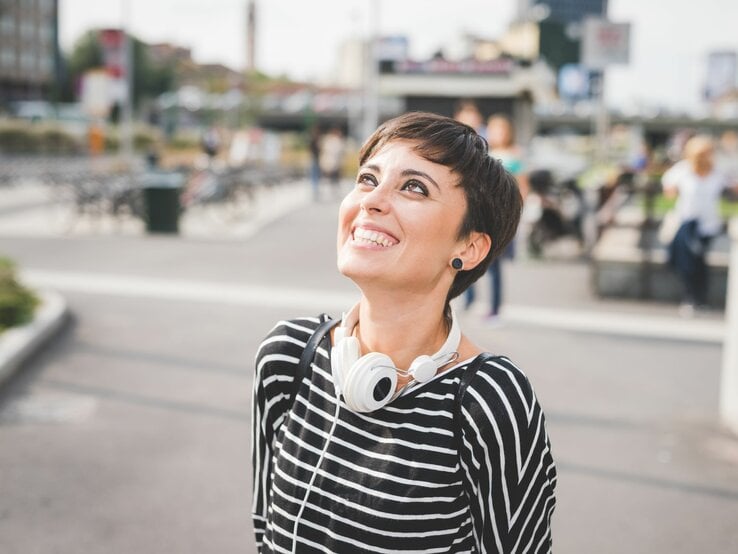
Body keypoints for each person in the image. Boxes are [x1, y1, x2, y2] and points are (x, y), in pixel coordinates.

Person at [252, 112, 557, 553]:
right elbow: (265, 533)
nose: (371, 201)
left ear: (468, 247)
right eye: (367, 179)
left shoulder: (489, 401)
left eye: (414, 187)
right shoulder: (287, 358)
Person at [662, 134, 738, 316]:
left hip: (707, 225)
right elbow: (669, 190)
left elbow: (732, 189)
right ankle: (692, 298)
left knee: (697, 260)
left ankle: (697, 298)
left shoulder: (717, 172)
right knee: (686, 261)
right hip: (687, 222)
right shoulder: (683, 170)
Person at [464, 114, 527, 321]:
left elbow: (522, 186)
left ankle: (495, 309)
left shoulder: (515, 154)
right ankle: (469, 300)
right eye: (492, 129)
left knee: (494, 265)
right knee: (469, 256)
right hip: (480, 214)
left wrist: (516, 213)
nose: (496, 134)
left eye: (500, 130)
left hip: (503, 214)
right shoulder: (483, 153)